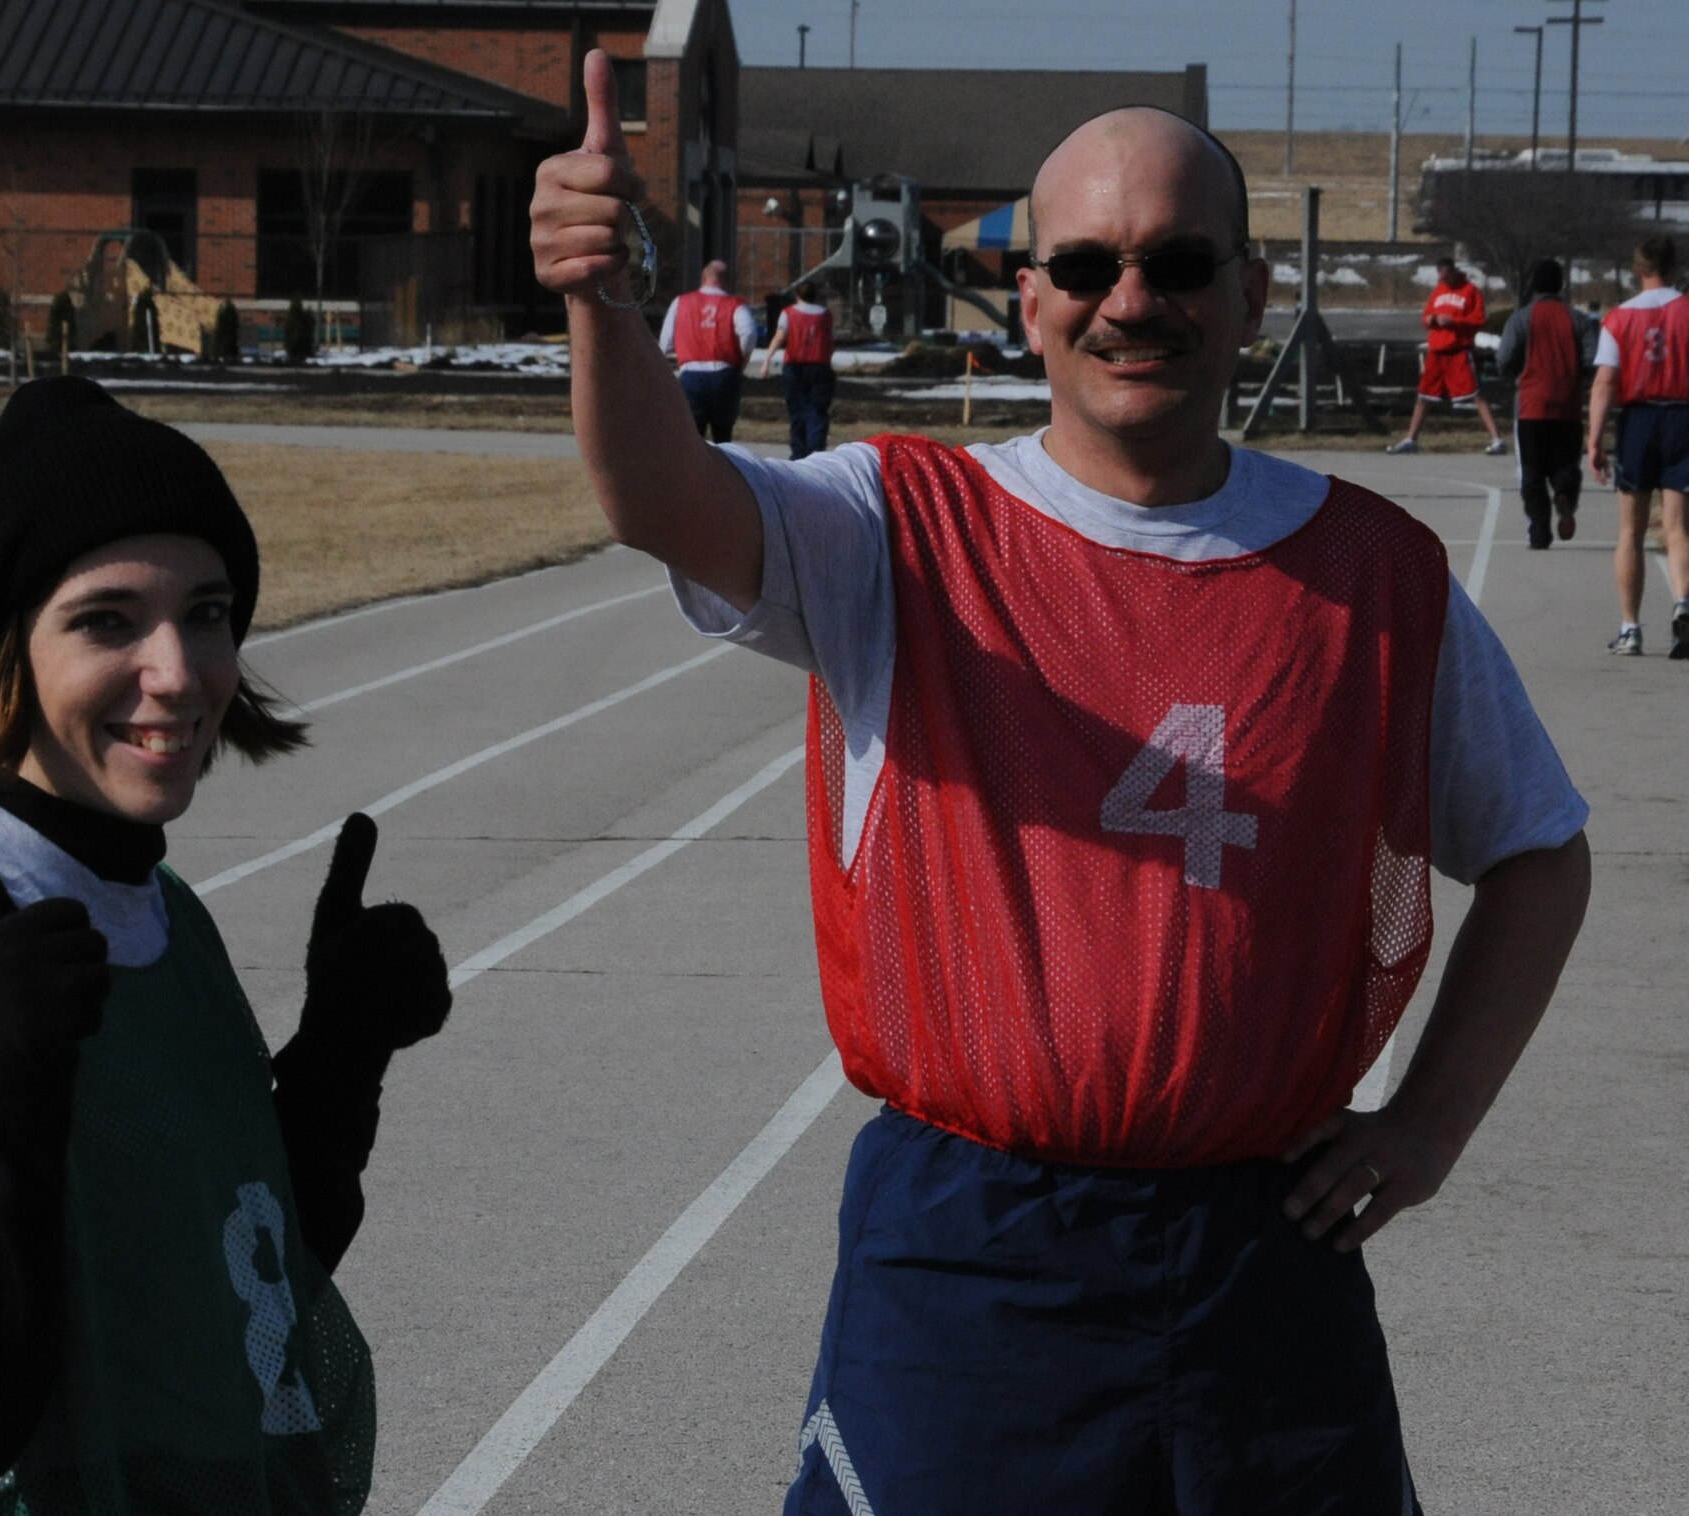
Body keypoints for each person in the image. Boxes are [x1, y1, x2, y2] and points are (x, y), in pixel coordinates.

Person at [536, 51, 1592, 1514]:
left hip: (1265, 1251)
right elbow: (664, 498)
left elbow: (1540, 854)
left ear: (1251, 295)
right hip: (971, 1253)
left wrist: (1428, 1127)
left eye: (1177, 262)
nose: (1130, 300)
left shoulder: (1378, 577)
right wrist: (598, 299)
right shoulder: (894, 526)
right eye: (1086, 264)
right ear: (1029, 298)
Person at [0, 376, 452, 1515]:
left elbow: (242, 1298)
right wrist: (14, 1087)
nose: (178, 672)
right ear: (7, 653)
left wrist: (340, 1053)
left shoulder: (157, 907)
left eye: (207, 609)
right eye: (105, 620)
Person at [1586, 234, 1689, 659]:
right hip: (1684, 416)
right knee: (1678, 527)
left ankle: (1630, 627)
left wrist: (1594, 439)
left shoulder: (1619, 318)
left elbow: (1605, 381)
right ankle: (1683, 602)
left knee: (1630, 530)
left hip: (1640, 420)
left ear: (1637, 268)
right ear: (1675, 267)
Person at [1493, 257, 1600, 548]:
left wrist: (1515, 371)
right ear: (1560, 285)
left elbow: (1503, 359)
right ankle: (1564, 491)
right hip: (1567, 405)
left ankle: (1539, 531)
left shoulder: (1522, 318)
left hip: (1530, 405)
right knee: (1566, 463)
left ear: (1533, 285)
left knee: (1531, 470)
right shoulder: (1577, 319)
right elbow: (1594, 358)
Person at [1389, 257, 1508, 456]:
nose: (1443, 279)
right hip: (1437, 351)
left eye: (1445, 274)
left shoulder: (1470, 291)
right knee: (1424, 395)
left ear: (1452, 271)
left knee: (1475, 394)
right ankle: (1411, 438)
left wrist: (1454, 321)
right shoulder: (1439, 290)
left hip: (1458, 350)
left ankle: (1497, 439)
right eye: (1440, 275)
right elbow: (1427, 317)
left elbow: (1479, 319)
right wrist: (1434, 319)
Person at [659, 258, 758, 442]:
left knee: (692, 438)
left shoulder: (681, 302)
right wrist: (742, 360)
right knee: (723, 437)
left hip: (691, 375)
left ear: (704, 277)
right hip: (724, 374)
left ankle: (692, 470)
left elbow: (665, 343)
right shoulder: (735, 304)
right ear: (726, 280)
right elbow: (749, 334)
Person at [760, 279, 838, 459]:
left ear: (797, 295)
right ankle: (816, 450)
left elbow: (779, 337)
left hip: (795, 366)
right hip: (820, 366)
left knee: (797, 410)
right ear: (815, 295)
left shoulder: (788, 313)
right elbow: (831, 340)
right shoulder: (825, 314)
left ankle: (798, 452)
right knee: (817, 410)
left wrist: (767, 360)